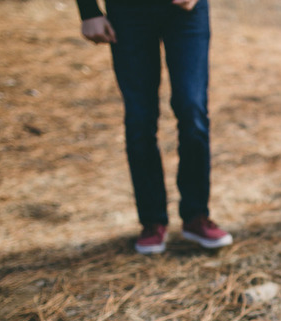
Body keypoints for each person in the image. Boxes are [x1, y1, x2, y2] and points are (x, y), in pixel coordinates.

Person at [75, 0, 232, 255]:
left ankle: (196, 216)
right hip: (128, 11)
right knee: (140, 117)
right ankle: (152, 221)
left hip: (187, 11)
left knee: (193, 110)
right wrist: (88, 10)